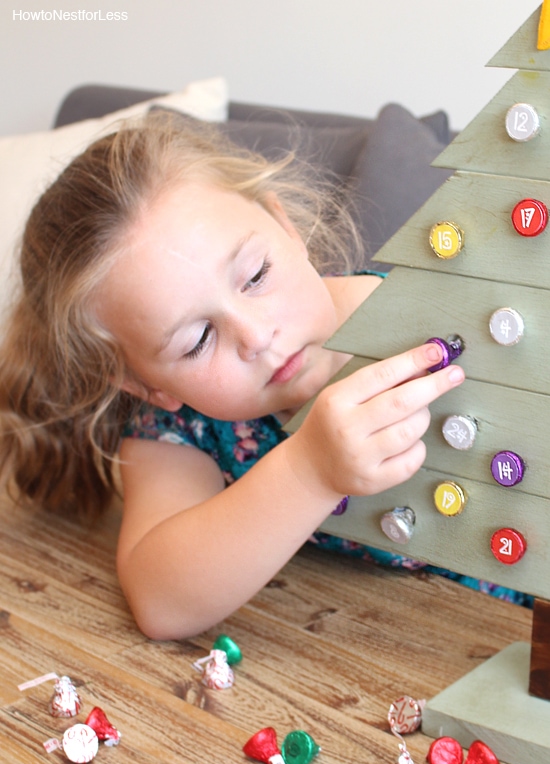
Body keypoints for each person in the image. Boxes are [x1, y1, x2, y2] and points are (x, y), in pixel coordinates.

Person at [0, 112, 529, 641]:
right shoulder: (183, 430)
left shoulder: (438, 326)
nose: (256, 336)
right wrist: (309, 470)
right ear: (144, 385)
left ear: (286, 227)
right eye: (197, 341)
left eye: (255, 276)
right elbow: (161, 602)